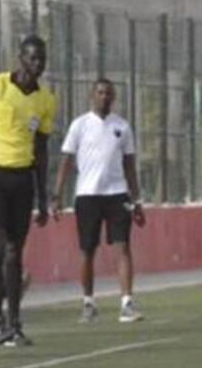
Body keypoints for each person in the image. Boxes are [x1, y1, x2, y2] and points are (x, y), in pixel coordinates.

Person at [0, 35, 56, 346]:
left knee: (14, 252)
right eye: (32, 58)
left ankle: (15, 320)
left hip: (22, 179)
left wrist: (43, 195)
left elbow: (42, 148)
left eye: (42, 60)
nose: (37, 65)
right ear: (21, 58)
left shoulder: (45, 99)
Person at [52, 78, 146, 324]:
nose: (104, 97)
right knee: (87, 250)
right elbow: (66, 161)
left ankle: (126, 303)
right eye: (100, 92)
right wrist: (57, 195)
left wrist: (137, 201)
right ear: (92, 96)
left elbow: (130, 166)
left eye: (108, 93)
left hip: (117, 194)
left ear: (113, 98)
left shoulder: (122, 127)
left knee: (122, 246)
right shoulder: (79, 125)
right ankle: (88, 302)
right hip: (87, 195)